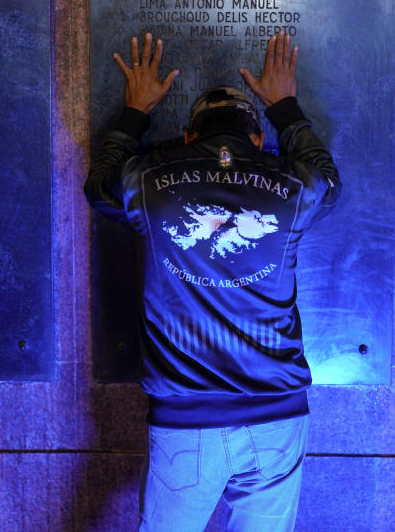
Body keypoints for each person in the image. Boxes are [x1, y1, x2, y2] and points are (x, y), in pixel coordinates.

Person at [85, 31, 340, 532]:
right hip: (277, 415)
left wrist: (136, 112)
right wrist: (285, 107)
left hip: (185, 422)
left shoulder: (146, 177)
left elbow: (99, 186)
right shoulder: (291, 184)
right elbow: (327, 182)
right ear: (257, 140)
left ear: (187, 137)